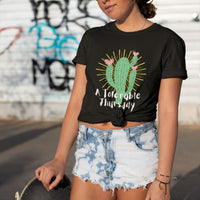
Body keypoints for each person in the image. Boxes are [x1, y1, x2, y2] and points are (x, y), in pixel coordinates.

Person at [35, 0, 188, 199]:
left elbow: (168, 112)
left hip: (137, 151)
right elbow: (77, 101)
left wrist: (163, 179)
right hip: (91, 149)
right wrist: (59, 158)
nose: (104, 0)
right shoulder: (92, 38)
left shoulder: (167, 41)